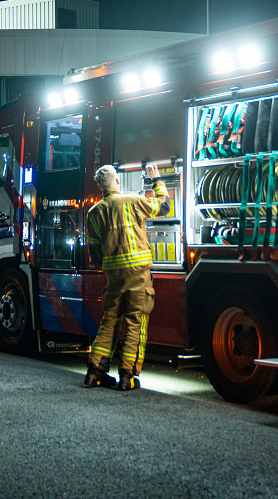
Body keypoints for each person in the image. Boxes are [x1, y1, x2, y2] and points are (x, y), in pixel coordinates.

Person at [83, 162, 166, 391]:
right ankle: (127, 377)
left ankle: (95, 372)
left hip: (113, 277)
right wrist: (157, 180)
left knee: (109, 321)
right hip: (138, 275)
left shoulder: (94, 212)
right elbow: (163, 206)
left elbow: (95, 252)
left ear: (100, 187)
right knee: (135, 323)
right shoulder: (133, 201)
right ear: (117, 181)